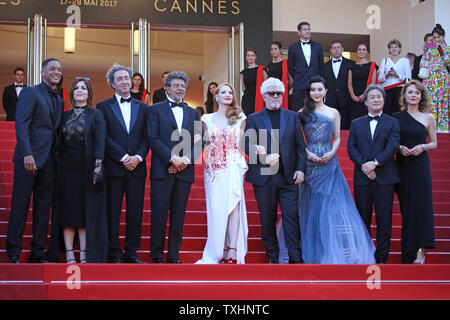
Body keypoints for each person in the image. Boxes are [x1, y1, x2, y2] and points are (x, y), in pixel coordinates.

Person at [278, 76, 375, 264]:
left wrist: (332, 152)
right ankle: (307, 250)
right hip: (309, 164)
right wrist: (308, 154)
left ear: (326, 91)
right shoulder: (301, 113)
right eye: (313, 90)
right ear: (309, 92)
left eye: (319, 89)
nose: (316, 93)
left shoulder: (334, 113)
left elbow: (337, 137)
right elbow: (297, 140)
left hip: (329, 163)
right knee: (307, 207)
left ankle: (328, 252)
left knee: (328, 208)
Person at [6, 58, 63, 263]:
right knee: (20, 204)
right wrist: (26, 153)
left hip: (49, 159)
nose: (57, 72)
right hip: (28, 158)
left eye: (59, 69)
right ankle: (13, 251)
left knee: (43, 208)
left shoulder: (59, 98)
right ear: (42, 72)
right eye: (52, 69)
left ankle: (37, 252)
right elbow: (21, 124)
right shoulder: (31, 92)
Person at [244, 77, 306, 264]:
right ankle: (272, 254)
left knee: (291, 216)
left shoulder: (293, 116)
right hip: (264, 177)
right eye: (271, 93)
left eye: (278, 93)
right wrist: (263, 157)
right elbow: (248, 144)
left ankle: (295, 256)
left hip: (288, 177)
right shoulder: (253, 119)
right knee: (267, 217)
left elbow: (300, 146)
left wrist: (301, 170)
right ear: (264, 96)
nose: (275, 96)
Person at [48, 77, 108, 263]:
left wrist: (98, 167)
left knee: (83, 212)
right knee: (67, 211)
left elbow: (100, 141)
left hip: (87, 168)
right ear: (72, 93)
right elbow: (56, 141)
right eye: (77, 88)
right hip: (65, 169)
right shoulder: (64, 115)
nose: (80, 91)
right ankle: (68, 253)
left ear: (89, 93)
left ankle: (83, 253)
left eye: (84, 88)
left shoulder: (96, 114)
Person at [147, 71, 203, 264]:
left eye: (183, 85)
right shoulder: (155, 110)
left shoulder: (192, 113)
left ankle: (173, 256)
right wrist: (172, 159)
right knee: (159, 214)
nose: (180, 88)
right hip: (162, 170)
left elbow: (199, 141)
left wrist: (184, 161)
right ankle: (156, 256)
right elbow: (152, 138)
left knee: (178, 215)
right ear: (167, 88)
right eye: (176, 85)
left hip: (184, 171)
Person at [96, 64, 149, 264]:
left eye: (127, 78)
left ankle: (131, 252)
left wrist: (138, 157)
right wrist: (123, 157)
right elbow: (104, 137)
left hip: (137, 167)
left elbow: (147, 136)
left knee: (135, 211)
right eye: (120, 79)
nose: (125, 81)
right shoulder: (103, 106)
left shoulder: (143, 107)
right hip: (114, 167)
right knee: (113, 212)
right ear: (112, 83)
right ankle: (114, 252)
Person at [347, 84, 400, 264]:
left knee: (384, 219)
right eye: (372, 97)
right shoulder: (356, 123)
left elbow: (392, 146)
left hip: (385, 177)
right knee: (363, 218)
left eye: (379, 97)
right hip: (362, 178)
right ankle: (365, 254)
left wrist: (375, 164)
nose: (376, 100)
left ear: (383, 101)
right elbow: (351, 147)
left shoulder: (393, 122)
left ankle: (381, 257)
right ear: (366, 102)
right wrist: (364, 166)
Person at [196, 83, 248, 264]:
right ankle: (218, 249)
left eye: (230, 92)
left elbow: (240, 144)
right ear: (216, 96)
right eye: (223, 92)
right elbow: (207, 144)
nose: (227, 95)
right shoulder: (207, 119)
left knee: (233, 205)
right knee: (217, 208)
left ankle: (232, 249)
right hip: (214, 170)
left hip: (233, 165)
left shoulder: (240, 117)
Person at [393, 80, 437, 264]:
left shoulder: (429, 118)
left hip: (420, 166)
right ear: (404, 95)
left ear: (421, 96)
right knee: (407, 208)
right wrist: (399, 147)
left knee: (421, 208)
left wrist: (422, 146)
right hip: (402, 166)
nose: (413, 95)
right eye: (410, 92)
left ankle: (420, 249)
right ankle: (408, 252)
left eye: (416, 93)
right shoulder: (395, 117)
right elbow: (391, 141)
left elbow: (434, 143)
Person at [288, 21, 324, 111]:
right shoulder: (293, 47)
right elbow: (290, 66)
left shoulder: (318, 46)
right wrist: (297, 77)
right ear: (299, 32)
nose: (308, 31)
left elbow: (321, 65)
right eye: (305, 29)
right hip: (299, 83)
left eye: (309, 29)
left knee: (316, 109)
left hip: (315, 83)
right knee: (299, 109)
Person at [321, 40, 355, 130]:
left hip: (346, 99)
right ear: (331, 50)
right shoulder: (324, 66)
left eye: (338, 48)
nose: (336, 50)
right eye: (334, 48)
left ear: (342, 49)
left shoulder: (351, 63)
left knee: (345, 125)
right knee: (329, 124)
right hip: (330, 99)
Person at [423, 24, 450, 133]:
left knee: (442, 103)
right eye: (434, 38)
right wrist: (425, 53)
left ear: (443, 37)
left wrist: (443, 51)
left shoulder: (447, 48)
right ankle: (430, 128)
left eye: (439, 37)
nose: (436, 40)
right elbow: (424, 65)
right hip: (431, 80)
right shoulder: (430, 49)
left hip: (442, 79)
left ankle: (442, 129)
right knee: (432, 103)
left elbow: (448, 63)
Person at [378, 39, 411, 116]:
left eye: (396, 47)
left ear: (400, 49)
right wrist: (387, 75)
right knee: (386, 111)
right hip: (387, 89)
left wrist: (397, 75)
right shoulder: (385, 60)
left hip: (400, 89)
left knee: (399, 111)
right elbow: (380, 79)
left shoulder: (405, 61)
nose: (394, 49)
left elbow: (408, 78)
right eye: (391, 47)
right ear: (389, 49)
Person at [348, 43, 378, 121]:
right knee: (355, 120)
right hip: (354, 98)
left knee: (367, 119)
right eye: (359, 49)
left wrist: (364, 95)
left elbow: (373, 82)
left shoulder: (372, 65)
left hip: (367, 96)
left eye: (363, 49)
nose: (361, 51)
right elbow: (349, 83)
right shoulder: (352, 65)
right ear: (357, 51)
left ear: (367, 52)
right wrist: (352, 95)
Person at [240, 48, 268, 115]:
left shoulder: (262, 69)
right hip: (247, 100)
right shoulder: (243, 72)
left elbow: (267, 86)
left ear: (256, 57)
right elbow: (243, 89)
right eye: (248, 55)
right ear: (246, 57)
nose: (250, 57)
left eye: (252, 55)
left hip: (259, 99)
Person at [266, 41, 292, 109]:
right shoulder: (268, 66)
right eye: (271, 49)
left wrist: (284, 89)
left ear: (280, 50)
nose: (273, 51)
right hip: (271, 95)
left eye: (275, 49)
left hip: (282, 94)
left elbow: (291, 80)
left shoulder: (286, 63)